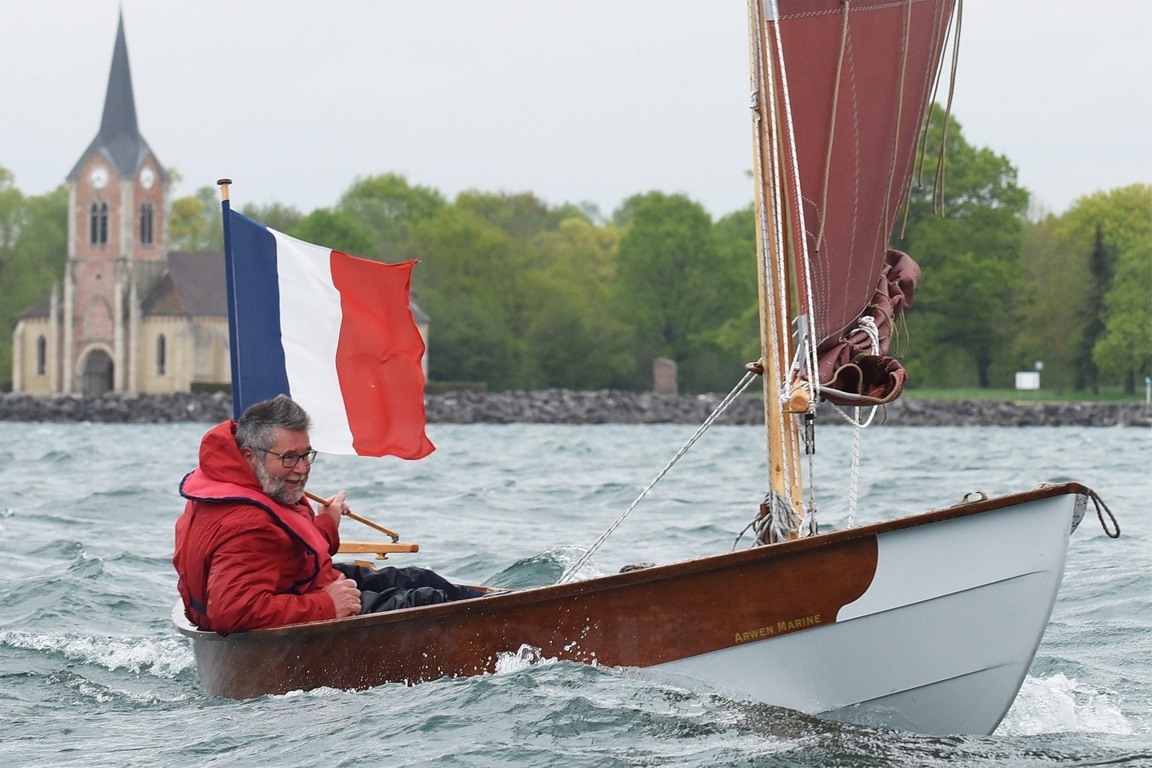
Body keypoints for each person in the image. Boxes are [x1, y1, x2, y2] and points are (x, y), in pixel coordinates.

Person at [173, 395, 482, 633]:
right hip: (306, 606)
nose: (302, 470)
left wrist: (325, 524)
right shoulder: (246, 523)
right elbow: (232, 613)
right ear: (249, 455)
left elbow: (280, 553)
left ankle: (500, 610)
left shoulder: (241, 481)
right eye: (289, 458)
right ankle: (506, 626)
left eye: (306, 455)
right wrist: (326, 605)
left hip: (302, 588)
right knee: (427, 601)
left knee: (420, 579)